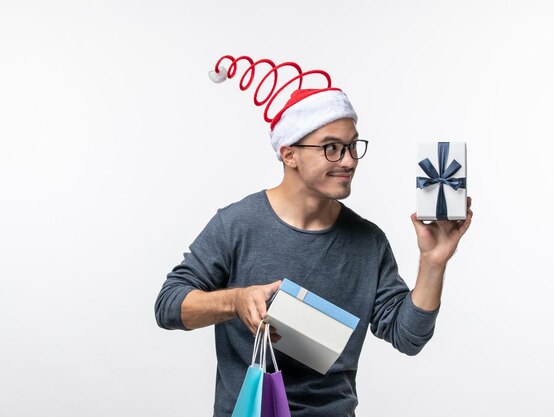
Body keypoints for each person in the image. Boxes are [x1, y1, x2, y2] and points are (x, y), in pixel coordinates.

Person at [154, 55, 473, 417]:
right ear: (289, 154)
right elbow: (168, 306)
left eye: (353, 146)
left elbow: (408, 337)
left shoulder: (368, 241)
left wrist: (433, 263)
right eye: (331, 148)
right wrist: (236, 301)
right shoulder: (237, 224)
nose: (349, 161)